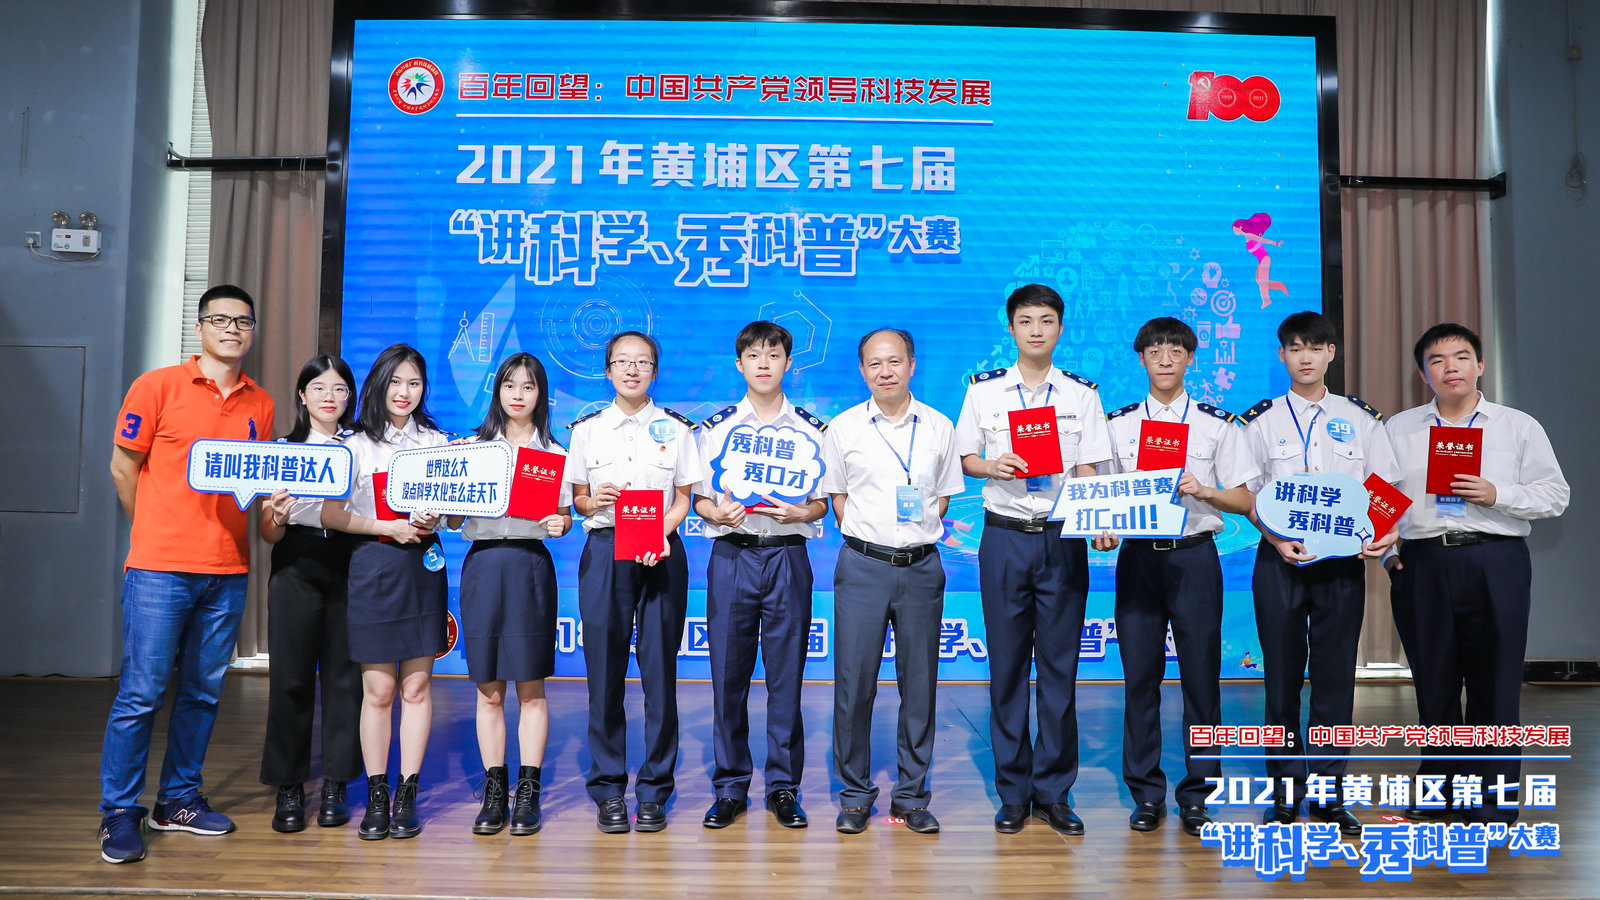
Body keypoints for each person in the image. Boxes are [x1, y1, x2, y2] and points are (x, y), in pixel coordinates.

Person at [100, 284, 276, 864]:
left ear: (253, 331)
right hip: (160, 570)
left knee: (201, 693)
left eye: (242, 321)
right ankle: (119, 812)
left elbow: (254, 482)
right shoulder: (157, 386)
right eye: (220, 320)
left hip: (227, 570)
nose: (232, 330)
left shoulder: (261, 403)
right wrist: (153, 529)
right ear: (199, 328)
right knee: (142, 693)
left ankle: (177, 800)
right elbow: (123, 467)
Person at [1384, 323, 1568, 823]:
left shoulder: (1517, 426)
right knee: (1434, 685)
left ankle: (1492, 801)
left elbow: (1555, 496)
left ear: (1480, 366)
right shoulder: (1400, 428)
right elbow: (1379, 500)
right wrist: (1385, 555)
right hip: (1422, 564)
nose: (1451, 368)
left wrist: (1497, 494)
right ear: (1423, 373)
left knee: (1497, 685)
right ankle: (1438, 794)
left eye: (1462, 357)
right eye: (1437, 360)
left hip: (1495, 561)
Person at [954, 284, 1112, 835]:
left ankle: (1055, 792)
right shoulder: (983, 391)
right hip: (1003, 537)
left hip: (1062, 538)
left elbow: (1090, 467)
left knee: (1060, 669)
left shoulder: (1081, 395)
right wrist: (991, 465)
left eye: (1046, 320)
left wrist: (1099, 519)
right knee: (1007, 668)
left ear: (1060, 328)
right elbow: (966, 457)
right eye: (1026, 321)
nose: (1036, 330)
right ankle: (1013, 793)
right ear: (1011, 328)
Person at [1237, 312, 1400, 833]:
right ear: (1281, 355)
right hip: (1279, 562)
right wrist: (1275, 539)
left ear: (1331, 352)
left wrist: (1381, 534)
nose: (1305, 357)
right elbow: (1247, 495)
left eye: (1315, 347)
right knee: (1281, 682)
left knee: (1335, 682)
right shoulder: (1259, 421)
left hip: (1341, 566)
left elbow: (1383, 487)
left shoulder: (1361, 418)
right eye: (1295, 348)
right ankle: (1284, 793)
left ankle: (1329, 794)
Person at [1095, 316, 1259, 836]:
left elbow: (1245, 499)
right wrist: (1102, 530)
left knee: (1201, 680)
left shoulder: (1218, 425)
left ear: (1190, 359)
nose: (1165, 359)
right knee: (1140, 679)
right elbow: (1100, 498)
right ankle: (1146, 793)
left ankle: (1198, 795)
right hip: (1139, 560)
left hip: (1194, 558)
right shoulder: (1116, 425)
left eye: (1175, 351)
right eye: (1155, 351)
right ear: (1141, 358)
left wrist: (1205, 491)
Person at [820, 328, 964, 836]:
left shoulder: (939, 426)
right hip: (862, 566)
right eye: (875, 363)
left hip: (922, 567)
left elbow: (943, 496)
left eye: (895, 361)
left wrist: (910, 536)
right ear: (863, 370)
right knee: (853, 685)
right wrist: (874, 540)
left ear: (911, 364)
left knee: (919, 686)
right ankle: (855, 796)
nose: (886, 371)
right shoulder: (843, 428)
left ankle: (912, 797)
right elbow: (838, 499)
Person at [693, 321, 829, 830]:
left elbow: (823, 502)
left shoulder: (813, 429)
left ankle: (783, 787)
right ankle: (730, 786)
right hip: (733, 554)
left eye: (774, 354)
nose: (764, 363)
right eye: (754, 355)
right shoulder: (716, 428)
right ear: (740, 364)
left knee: (786, 676)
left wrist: (803, 512)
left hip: (788, 555)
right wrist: (714, 512)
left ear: (789, 363)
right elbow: (698, 497)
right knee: (727, 675)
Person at [566, 331, 703, 834]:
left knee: (660, 674)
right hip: (605, 551)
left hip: (661, 551)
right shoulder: (586, 430)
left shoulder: (677, 429)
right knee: (604, 674)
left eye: (642, 362)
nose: (632, 370)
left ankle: (654, 790)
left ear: (654, 371)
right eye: (622, 362)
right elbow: (578, 500)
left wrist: (658, 532)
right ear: (607, 371)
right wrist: (594, 500)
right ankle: (608, 789)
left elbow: (685, 498)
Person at [320, 344, 449, 841]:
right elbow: (331, 514)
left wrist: (439, 516)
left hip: (423, 567)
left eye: (414, 383)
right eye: (396, 381)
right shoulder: (352, 445)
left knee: (416, 688)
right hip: (373, 566)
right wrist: (385, 526)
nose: (404, 392)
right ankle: (377, 794)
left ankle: (407, 793)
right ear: (378, 384)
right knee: (378, 691)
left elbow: (457, 515)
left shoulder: (438, 442)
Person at [448, 353, 571, 836]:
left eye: (529, 386)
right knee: (489, 689)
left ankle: (529, 792)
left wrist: (561, 524)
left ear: (542, 395)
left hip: (529, 567)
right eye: (509, 385)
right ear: (496, 390)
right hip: (483, 564)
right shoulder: (471, 448)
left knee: (531, 687)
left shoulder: (555, 454)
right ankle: (495, 792)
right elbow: (453, 519)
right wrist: (446, 495)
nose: (518, 395)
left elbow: (564, 518)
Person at [259, 356, 363, 834]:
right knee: (290, 679)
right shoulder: (281, 450)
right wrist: (278, 516)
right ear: (302, 395)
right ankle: (289, 786)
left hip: (350, 561)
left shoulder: (361, 446)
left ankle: (337, 785)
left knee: (345, 680)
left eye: (339, 389)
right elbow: (268, 533)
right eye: (318, 388)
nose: (329, 397)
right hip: (295, 565)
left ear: (350, 397)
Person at [1232, 212, 1287, 309]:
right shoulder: (1247, 236)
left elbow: (1264, 240)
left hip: (1264, 259)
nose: (1233, 230)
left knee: (1262, 281)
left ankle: (1267, 301)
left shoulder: (1249, 235)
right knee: (1259, 281)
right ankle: (1280, 286)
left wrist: (1277, 243)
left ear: (1240, 227)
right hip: (1261, 260)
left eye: (1234, 228)